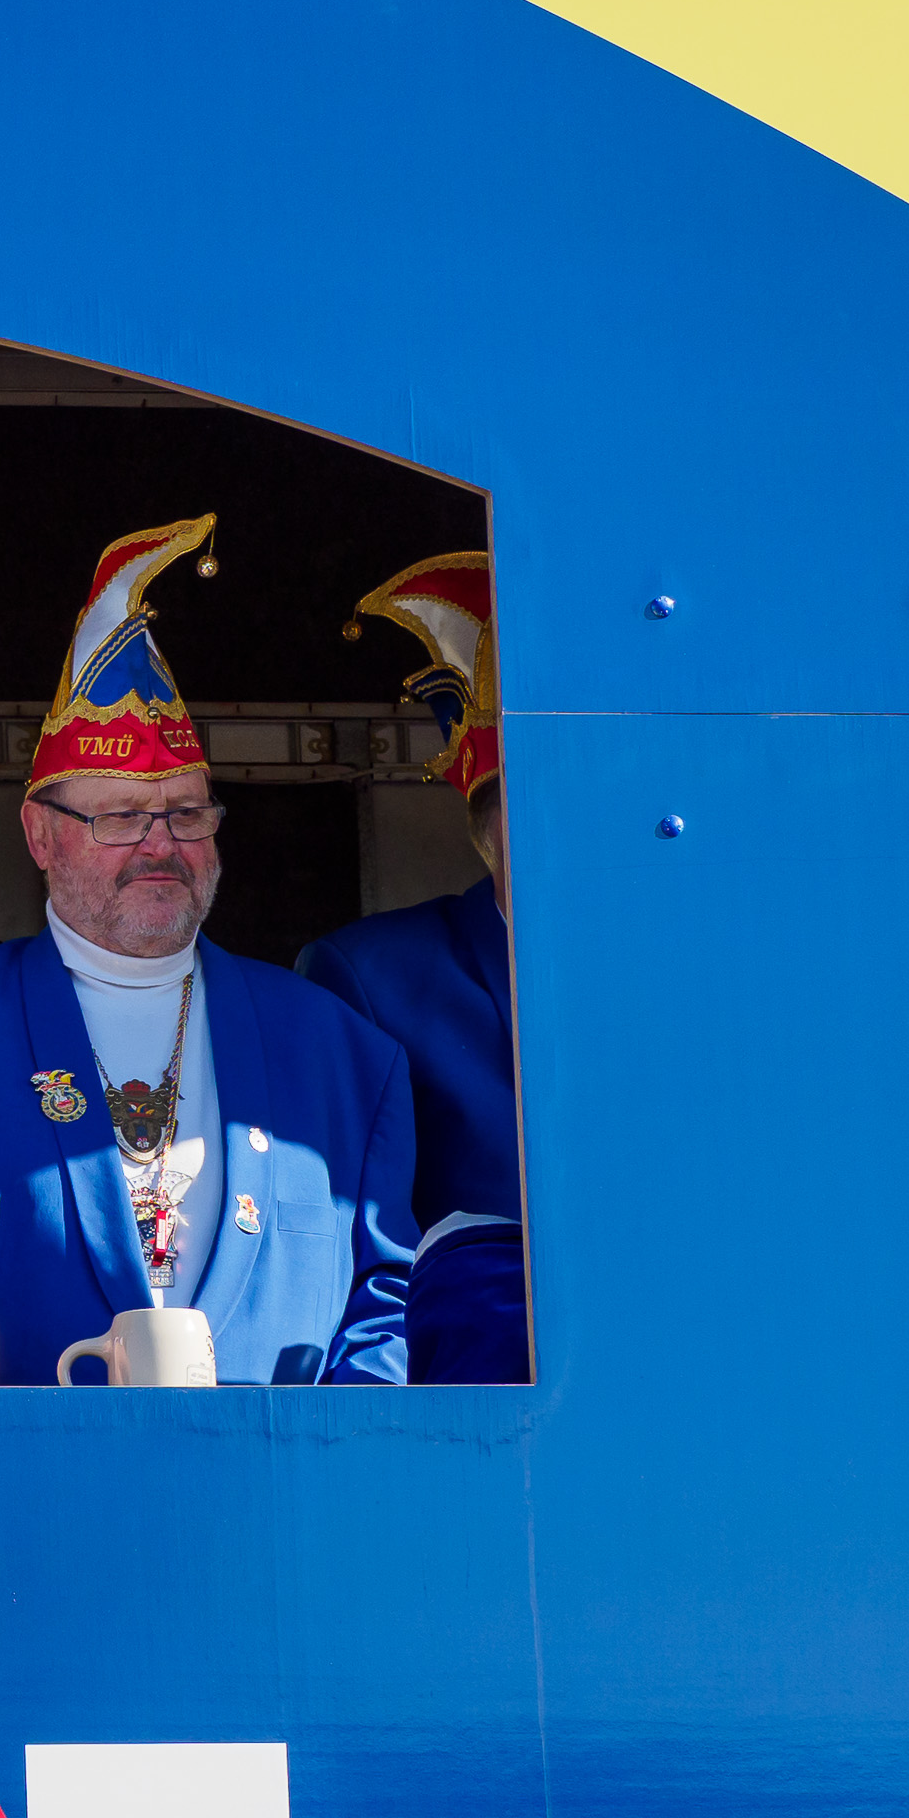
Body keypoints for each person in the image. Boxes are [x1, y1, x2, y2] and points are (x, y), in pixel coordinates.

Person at [0, 512, 416, 1387]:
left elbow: (390, 1299)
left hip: (279, 1473)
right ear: (41, 835)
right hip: (24, 1470)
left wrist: (352, 1443)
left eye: (186, 814)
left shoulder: (341, 1051)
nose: (161, 845)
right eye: (120, 817)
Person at [298, 551, 526, 1384]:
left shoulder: (694, 970)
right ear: (488, 828)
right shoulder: (375, 977)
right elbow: (349, 1243)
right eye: (529, 810)